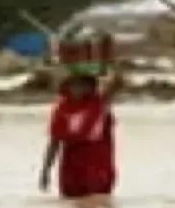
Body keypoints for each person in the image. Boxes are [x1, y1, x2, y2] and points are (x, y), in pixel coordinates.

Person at [38, 67, 122, 199]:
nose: (78, 88)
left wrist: (110, 65)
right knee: (70, 205)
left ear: (91, 87)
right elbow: (54, 143)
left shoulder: (99, 103)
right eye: (75, 84)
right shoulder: (62, 108)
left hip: (98, 169)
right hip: (71, 171)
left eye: (83, 84)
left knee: (97, 204)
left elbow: (116, 83)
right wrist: (45, 171)